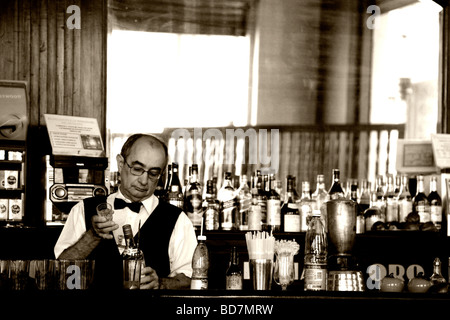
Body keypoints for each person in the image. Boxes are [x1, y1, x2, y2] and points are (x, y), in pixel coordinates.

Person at [54, 133, 197, 289]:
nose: (144, 181)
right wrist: (92, 236)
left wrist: (161, 283)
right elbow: (61, 269)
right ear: (121, 164)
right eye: (137, 169)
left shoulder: (177, 219)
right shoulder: (83, 209)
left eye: (153, 173)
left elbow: (192, 279)